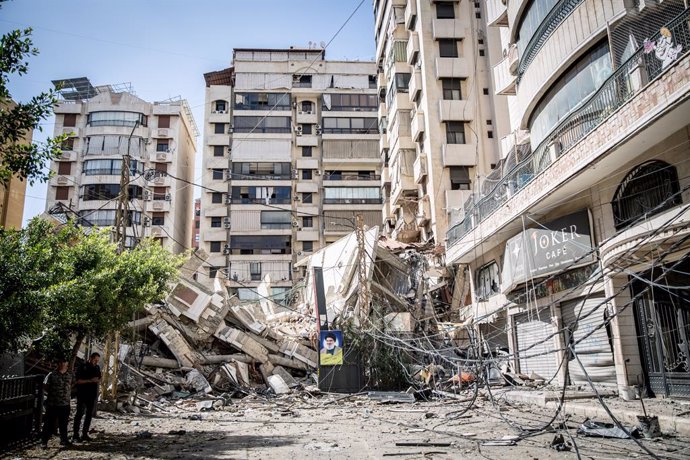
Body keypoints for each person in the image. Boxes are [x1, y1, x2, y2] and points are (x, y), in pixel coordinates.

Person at [41, 358, 72, 449]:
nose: (63, 365)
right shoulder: (52, 374)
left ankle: (64, 440)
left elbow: (73, 384)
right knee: (48, 423)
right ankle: (44, 441)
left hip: (65, 403)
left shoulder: (69, 375)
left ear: (67, 364)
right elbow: (45, 385)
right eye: (61, 363)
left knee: (64, 423)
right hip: (53, 403)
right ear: (58, 364)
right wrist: (52, 393)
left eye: (64, 363)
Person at [73, 352, 101, 442]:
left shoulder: (97, 367)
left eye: (97, 361)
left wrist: (98, 380)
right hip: (82, 394)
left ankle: (85, 433)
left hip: (92, 395)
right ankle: (75, 435)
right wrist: (90, 380)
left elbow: (99, 378)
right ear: (90, 358)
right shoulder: (83, 367)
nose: (96, 362)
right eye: (95, 360)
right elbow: (78, 381)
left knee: (89, 415)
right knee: (79, 414)